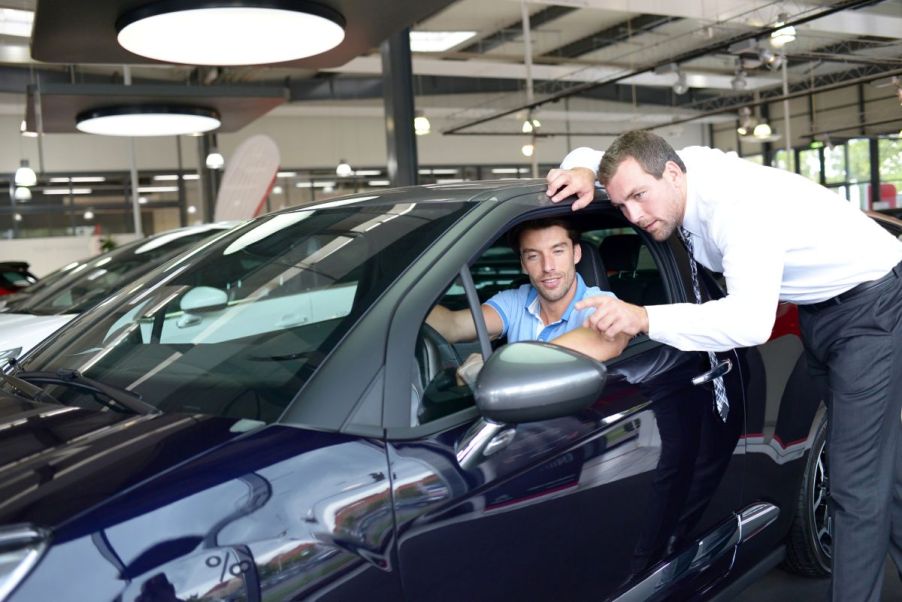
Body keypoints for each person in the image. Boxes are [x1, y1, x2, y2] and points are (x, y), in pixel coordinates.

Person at [545, 130, 902, 602]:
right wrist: (580, 170)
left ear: (673, 174)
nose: (632, 215)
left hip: (870, 307)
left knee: (853, 486)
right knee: (881, 472)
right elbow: (597, 158)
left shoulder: (739, 209)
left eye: (639, 198)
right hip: (819, 308)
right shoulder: (668, 171)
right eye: (622, 203)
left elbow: (750, 322)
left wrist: (643, 317)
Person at [426, 216, 629, 367]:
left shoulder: (599, 302)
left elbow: (611, 338)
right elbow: (453, 325)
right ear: (523, 264)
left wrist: (500, 367)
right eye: (533, 256)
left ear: (576, 254)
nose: (548, 266)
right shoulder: (515, 300)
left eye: (558, 251)